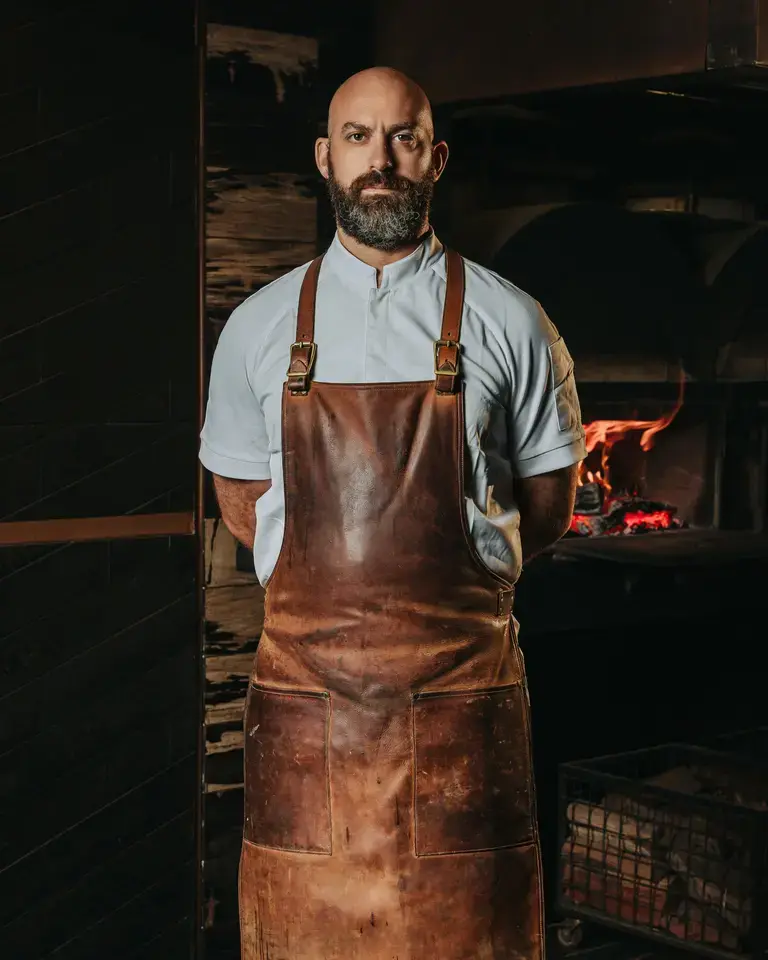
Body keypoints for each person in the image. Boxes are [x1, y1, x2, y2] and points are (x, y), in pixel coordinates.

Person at [199, 66, 586, 960]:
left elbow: (549, 509)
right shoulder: (258, 328)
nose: (382, 160)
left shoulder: (512, 322)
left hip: (460, 725)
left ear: (436, 158)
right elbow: (242, 505)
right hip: (306, 730)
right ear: (325, 157)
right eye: (360, 137)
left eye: (403, 137)